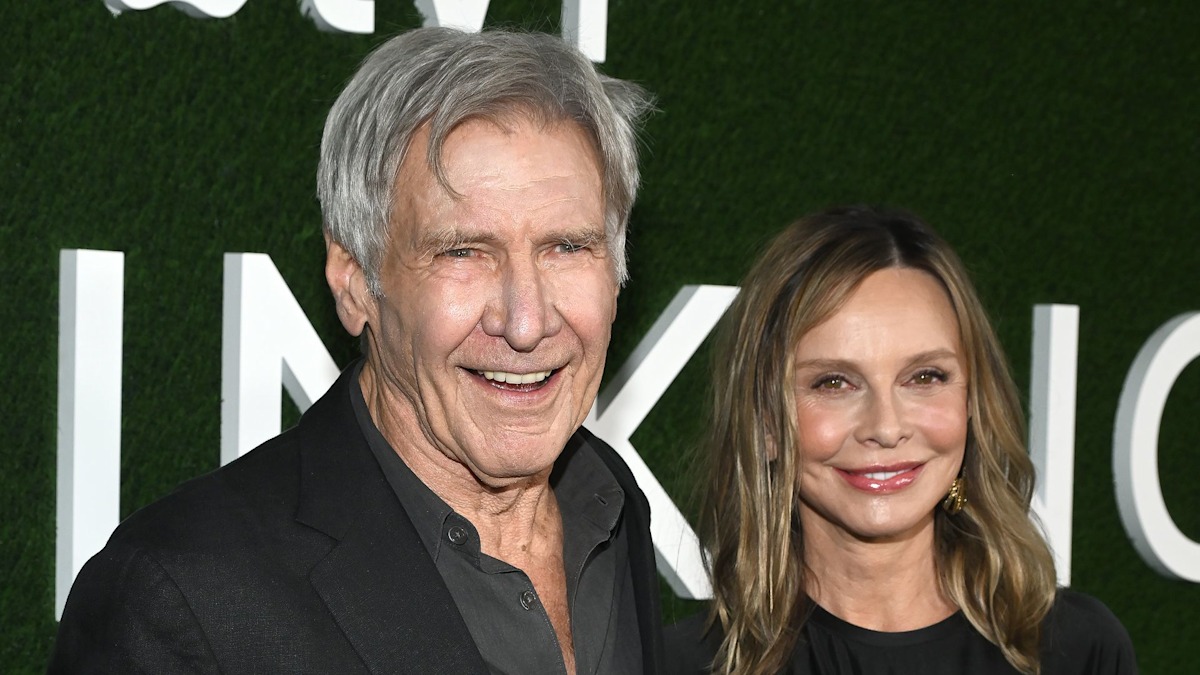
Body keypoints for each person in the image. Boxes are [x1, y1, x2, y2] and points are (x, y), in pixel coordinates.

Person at [50, 27, 661, 674]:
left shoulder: (613, 508)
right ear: (354, 281)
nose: (526, 320)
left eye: (566, 246)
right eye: (463, 251)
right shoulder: (181, 600)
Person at [666, 206, 1137, 675]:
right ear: (767, 421)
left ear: (973, 402)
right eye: (834, 383)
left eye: (925, 376)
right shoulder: (679, 665)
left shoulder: (1074, 650)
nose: (887, 427)